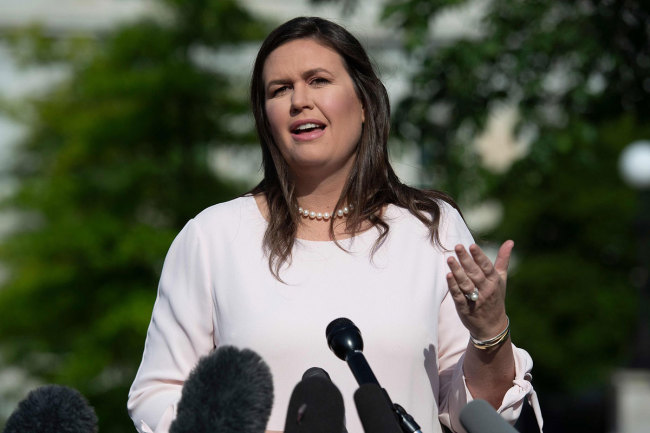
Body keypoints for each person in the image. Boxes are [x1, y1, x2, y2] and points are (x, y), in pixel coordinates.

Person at [127, 16, 543, 433]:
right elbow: (157, 394)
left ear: (364, 103)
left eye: (318, 80)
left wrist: (490, 332)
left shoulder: (430, 229)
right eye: (280, 89)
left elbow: (476, 412)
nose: (299, 101)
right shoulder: (212, 237)